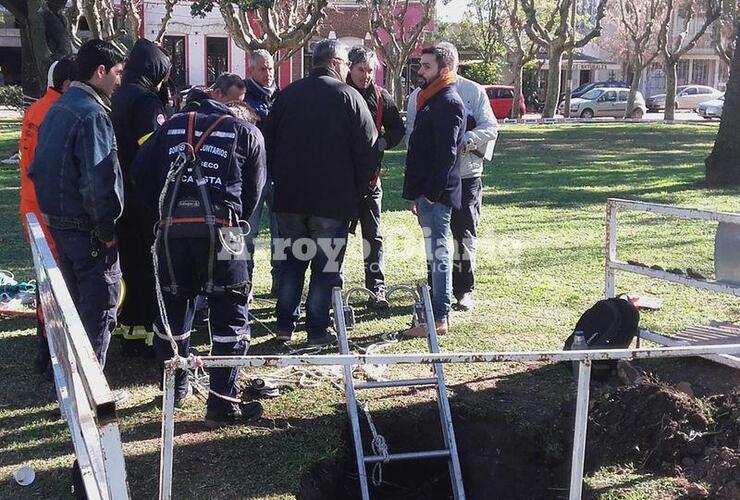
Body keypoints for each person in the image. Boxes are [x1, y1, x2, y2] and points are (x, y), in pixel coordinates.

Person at [132, 83, 266, 426]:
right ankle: (222, 403)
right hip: (227, 232)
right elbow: (253, 193)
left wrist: (165, 212)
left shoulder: (171, 126)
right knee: (232, 314)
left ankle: (175, 389)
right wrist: (234, 219)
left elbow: (140, 174)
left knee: (172, 310)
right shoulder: (247, 132)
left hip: (171, 232)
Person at [262, 39, 378, 346]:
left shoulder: (287, 96)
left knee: (292, 262)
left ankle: (285, 325)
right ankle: (316, 329)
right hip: (332, 200)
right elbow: (369, 150)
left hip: (291, 199)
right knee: (325, 267)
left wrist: (280, 179)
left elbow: (267, 144)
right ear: (338, 63)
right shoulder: (350, 97)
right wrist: (358, 188)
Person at [29, 39, 125, 366]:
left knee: (76, 306)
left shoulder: (59, 106)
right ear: (100, 71)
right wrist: (107, 230)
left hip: (60, 225)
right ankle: (90, 392)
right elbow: (99, 183)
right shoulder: (92, 114)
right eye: (117, 72)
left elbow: (36, 168)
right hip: (87, 232)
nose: (119, 80)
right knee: (99, 307)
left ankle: (74, 382)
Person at [406, 42, 498, 312]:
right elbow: (413, 135)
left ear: (450, 67)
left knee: (464, 233)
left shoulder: (471, 91)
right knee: (434, 236)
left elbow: (490, 127)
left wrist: (466, 140)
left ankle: (463, 290)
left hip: (467, 174)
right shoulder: (418, 97)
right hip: (433, 178)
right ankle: (437, 288)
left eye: (426, 66)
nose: (421, 71)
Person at [111, 38, 172, 353]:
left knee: (127, 265)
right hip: (142, 200)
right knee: (148, 266)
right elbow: (153, 150)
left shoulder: (116, 95)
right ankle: (148, 334)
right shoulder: (146, 101)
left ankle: (129, 330)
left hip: (117, 197)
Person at [401, 45, 466, 337]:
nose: (420, 71)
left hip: (436, 195)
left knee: (439, 253)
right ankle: (435, 314)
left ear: (443, 69)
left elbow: (447, 154)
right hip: (426, 193)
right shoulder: (431, 98)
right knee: (433, 252)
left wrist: (430, 194)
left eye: (426, 66)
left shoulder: (448, 101)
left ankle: (439, 317)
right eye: (420, 65)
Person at [18, 55, 77, 374]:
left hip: (32, 206)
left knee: (47, 281)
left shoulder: (37, 108)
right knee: (55, 283)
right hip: (47, 209)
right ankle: (49, 348)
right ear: (68, 84)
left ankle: (46, 345)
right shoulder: (58, 113)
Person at [346, 46, 405, 309]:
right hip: (340, 182)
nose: (366, 75)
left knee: (374, 237)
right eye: (361, 69)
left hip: (371, 182)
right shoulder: (338, 92)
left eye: (370, 70)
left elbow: (397, 129)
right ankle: (332, 288)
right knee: (334, 238)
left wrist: (382, 143)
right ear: (350, 67)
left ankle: (376, 288)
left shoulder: (382, 97)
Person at [243, 50, 282, 299]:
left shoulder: (282, 97)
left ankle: (280, 282)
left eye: (270, 68)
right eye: (262, 69)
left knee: (281, 233)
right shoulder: (245, 97)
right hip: (253, 176)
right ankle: (244, 282)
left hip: (280, 174)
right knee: (249, 232)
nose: (267, 73)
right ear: (252, 70)